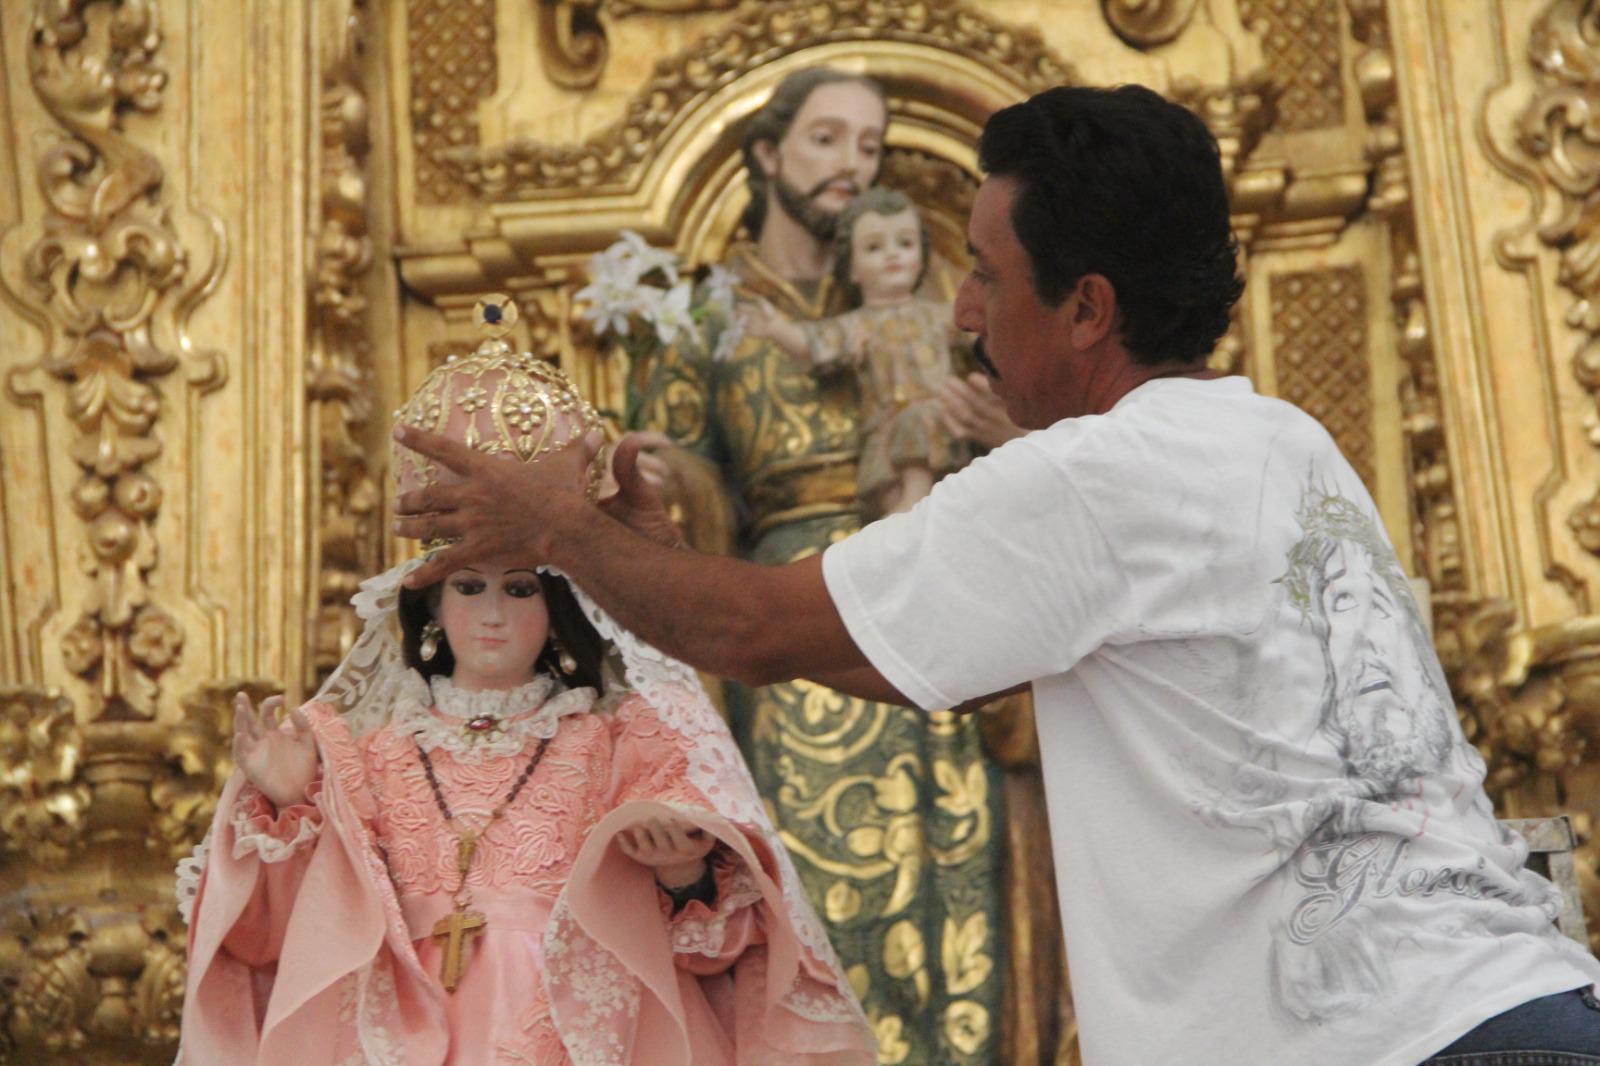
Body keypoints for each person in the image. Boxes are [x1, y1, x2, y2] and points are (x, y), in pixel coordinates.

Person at [392, 85, 1600, 1065]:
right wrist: (643, 555)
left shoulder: (1088, 476)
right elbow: (889, 652)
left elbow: (764, 632)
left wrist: (554, 529)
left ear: (1086, 307)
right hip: (1514, 1007)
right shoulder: (1280, 437)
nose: (960, 310)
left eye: (981, 271)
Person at [176, 323, 875, 1065]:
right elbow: (281, 938)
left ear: (558, 611)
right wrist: (288, 805)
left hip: (569, 1026)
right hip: (395, 1030)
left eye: (518, 589)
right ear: (432, 609)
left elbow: (713, 953)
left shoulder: (618, 743)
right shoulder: (365, 754)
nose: (492, 612)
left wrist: (683, 874)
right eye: (468, 587)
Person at [625, 67, 1007, 1062]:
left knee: (959, 900)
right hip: (790, 628)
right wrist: (671, 477)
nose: (851, 166)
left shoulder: (912, 296)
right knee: (818, 908)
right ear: (766, 155)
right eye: (828, 140)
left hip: (929, 610)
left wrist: (992, 436)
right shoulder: (706, 315)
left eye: (870, 147)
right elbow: (674, 488)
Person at [742, 188, 971, 516]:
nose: (892, 255)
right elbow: (814, 343)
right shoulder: (857, 325)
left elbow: (980, 330)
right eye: (875, 247)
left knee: (932, 497)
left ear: (922, 255)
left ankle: (915, 504)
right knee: (899, 511)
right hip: (888, 434)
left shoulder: (937, 315)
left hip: (941, 427)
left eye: (905, 243)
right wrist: (777, 328)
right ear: (851, 267)